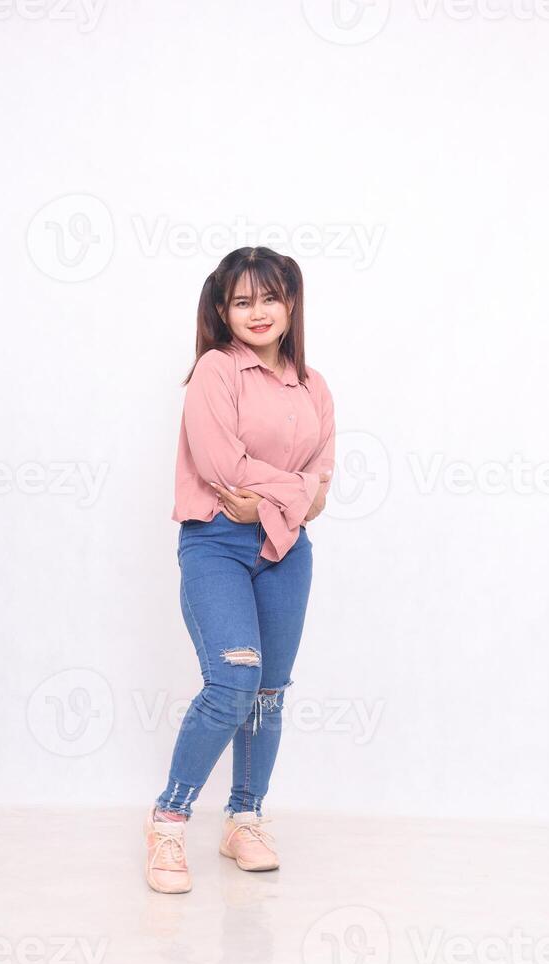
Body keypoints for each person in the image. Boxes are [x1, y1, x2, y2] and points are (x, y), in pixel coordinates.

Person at [145, 246, 335, 893]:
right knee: (232, 680)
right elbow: (223, 470)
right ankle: (169, 823)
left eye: (270, 297)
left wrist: (280, 496)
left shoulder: (314, 387)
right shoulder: (216, 372)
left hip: (287, 550)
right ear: (222, 311)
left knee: (268, 692)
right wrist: (294, 490)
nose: (259, 312)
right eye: (242, 300)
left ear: (292, 303)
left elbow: (323, 491)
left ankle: (244, 819)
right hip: (217, 544)